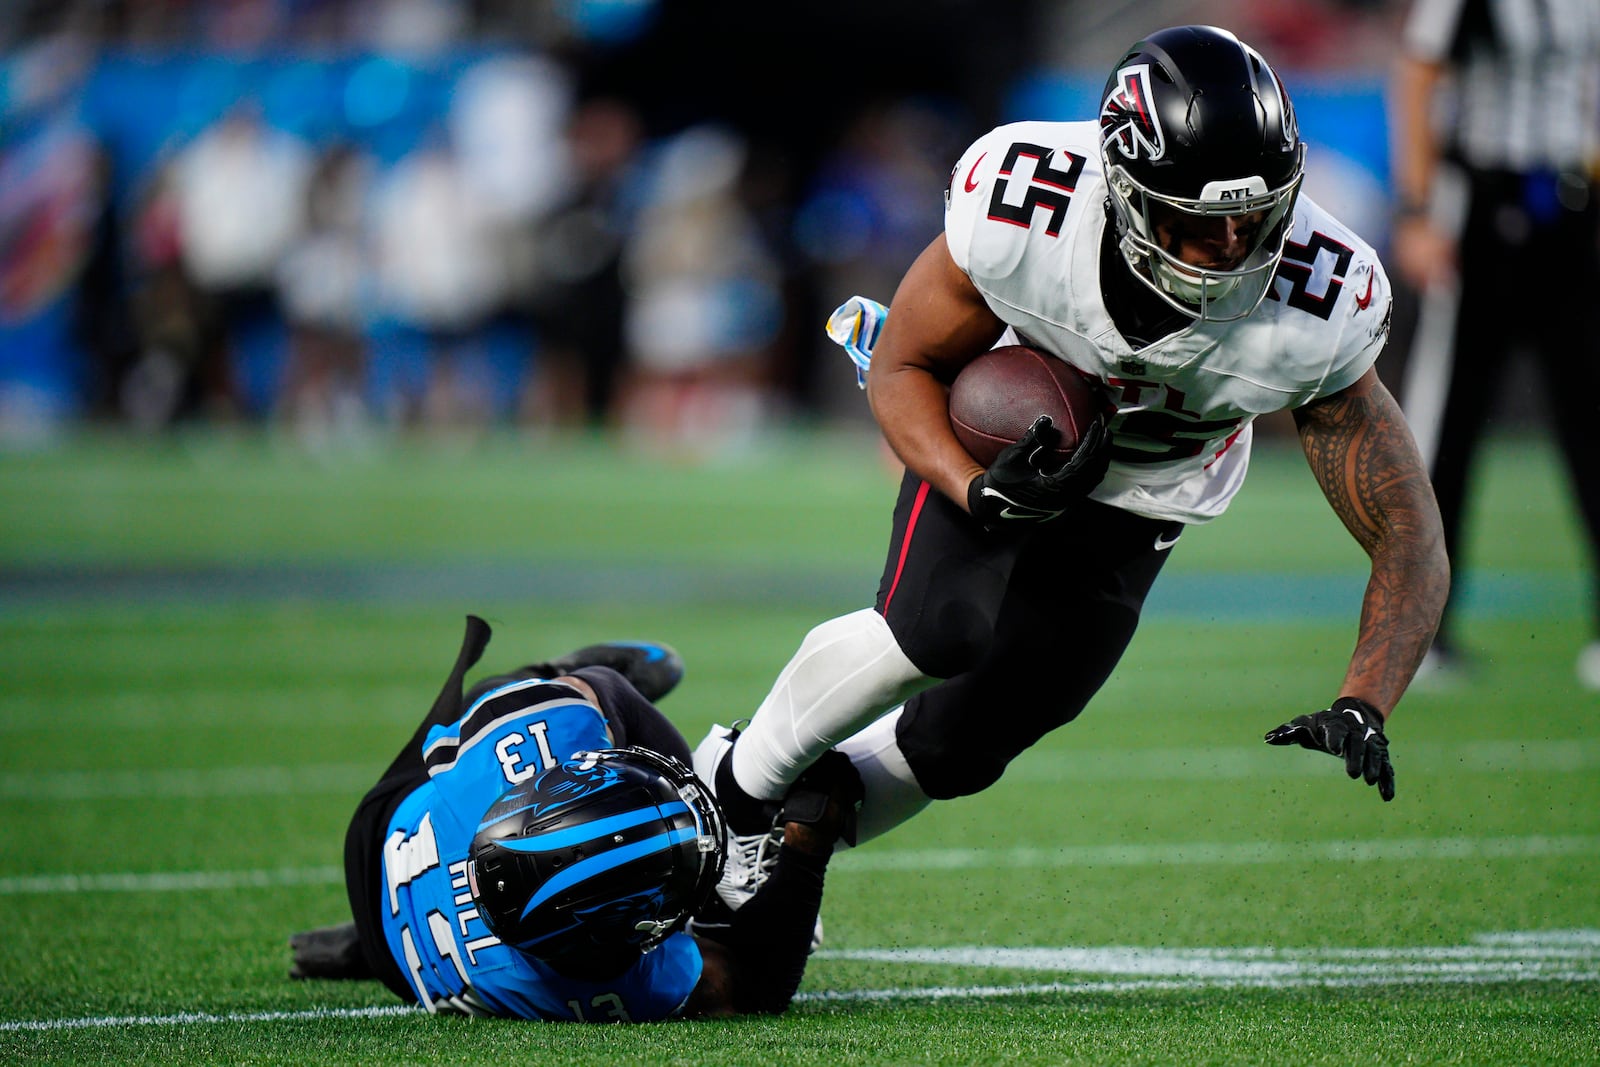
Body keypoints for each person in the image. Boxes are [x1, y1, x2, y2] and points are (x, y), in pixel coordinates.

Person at [692, 25, 1451, 908]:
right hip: (1002, 441)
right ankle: (736, 787)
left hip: (1146, 492)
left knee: (969, 744)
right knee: (938, 630)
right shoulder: (1026, 203)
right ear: (1124, 186)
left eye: (1256, 217)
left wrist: (1366, 697)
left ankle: (810, 826)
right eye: (1199, 222)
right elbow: (901, 365)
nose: (1234, 245)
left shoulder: (1323, 299)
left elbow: (1408, 527)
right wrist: (972, 482)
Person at [288, 614, 860, 1022]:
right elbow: (757, 987)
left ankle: (549, 668)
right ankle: (362, 941)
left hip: (385, 843)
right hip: (396, 921)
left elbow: (605, 687)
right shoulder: (609, 984)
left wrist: (682, 780)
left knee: (513, 695)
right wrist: (808, 850)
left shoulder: (512, 748)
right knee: (523, 699)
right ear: (598, 949)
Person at [1388, 0, 1600, 687]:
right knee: (1446, 426)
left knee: (1591, 422)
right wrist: (1417, 208)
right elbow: (1418, 73)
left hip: (1569, 208)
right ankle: (1421, 634)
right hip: (1479, 206)